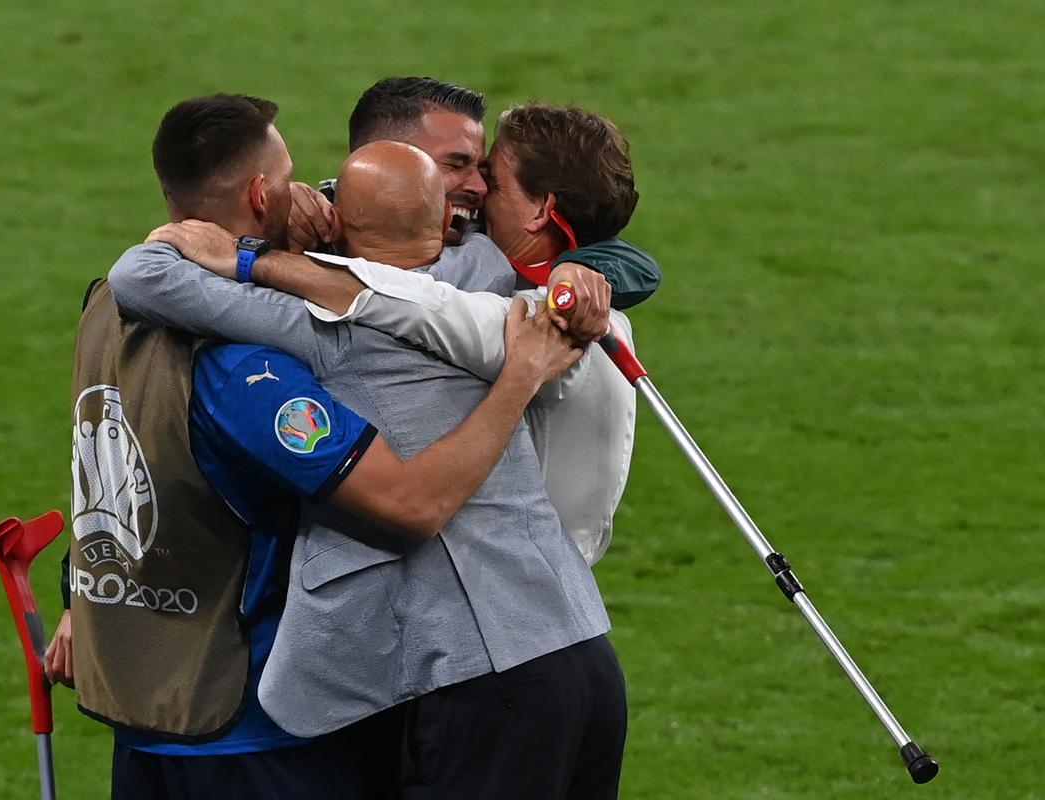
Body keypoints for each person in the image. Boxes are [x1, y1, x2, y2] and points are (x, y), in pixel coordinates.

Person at [60, 93, 584, 800]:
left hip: (140, 707)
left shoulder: (104, 312)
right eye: (293, 181)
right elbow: (408, 499)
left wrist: (78, 596)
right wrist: (521, 374)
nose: (312, 200)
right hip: (251, 729)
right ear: (257, 194)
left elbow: (123, 462)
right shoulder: (250, 367)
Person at [152, 102, 644, 565]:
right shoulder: (546, 283)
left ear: (541, 210)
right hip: (497, 589)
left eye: (491, 178)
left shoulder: (558, 324)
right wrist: (305, 206)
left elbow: (424, 306)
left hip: (509, 596)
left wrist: (251, 257)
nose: (474, 189)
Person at [287, 76, 660, 319]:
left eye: (484, 171)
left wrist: (583, 268)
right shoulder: (304, 228)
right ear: (388, 158)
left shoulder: (478, 237)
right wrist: (282, 213)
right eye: (456, 164)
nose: (480, 188)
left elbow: (634, 262)